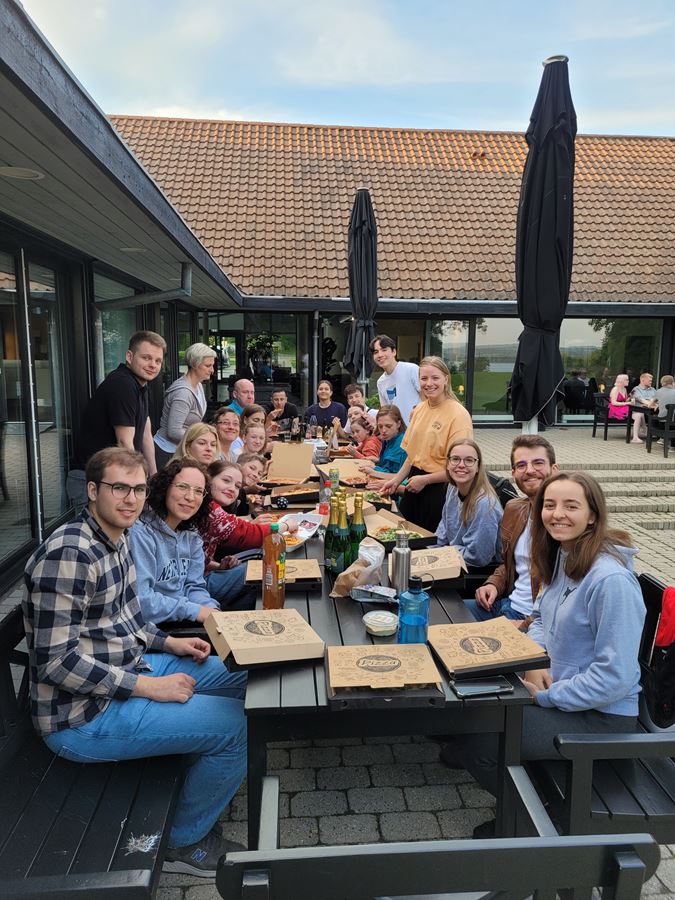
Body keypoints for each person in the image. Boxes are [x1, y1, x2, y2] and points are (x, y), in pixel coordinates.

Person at [24, 447, 247, 877]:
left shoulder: (118, 537)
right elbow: (56, 662)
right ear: (92, 490)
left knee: (240, 677)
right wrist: (149, 688)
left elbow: (128, 620)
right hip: (83, 717)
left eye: (139, 489)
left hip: (132, 668)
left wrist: (170, 643)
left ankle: (198, 766)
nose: (131, 499)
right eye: (119, 488)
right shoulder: (70, 555)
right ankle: (183, 841)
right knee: (238, 727)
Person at [459, 472, 645, 815]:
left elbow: (614, 678)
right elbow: (541, 617)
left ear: (592, 515)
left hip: (600, 715)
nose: (557, 514)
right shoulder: (564, 554)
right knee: (473, 707)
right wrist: (537, 660)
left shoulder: (611, 581)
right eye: (549, 505)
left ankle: (534, 821)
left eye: (571, 506)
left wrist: (545, 696)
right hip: (563, 690)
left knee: (481, 744)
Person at [467, 435, 558, 623]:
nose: (530, 470)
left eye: (538, 463)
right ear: (514, 473)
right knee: (432, 613)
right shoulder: (514, 509)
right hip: (505, 604)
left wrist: (526, 624)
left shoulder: (562, 522)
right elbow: (510, 564)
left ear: (554, 469)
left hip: (533, 619)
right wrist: (493, 584)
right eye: (521, 465)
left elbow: (568, 593)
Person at [68, 330, 166, 503]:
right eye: (146, 358)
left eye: (158, 361)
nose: (153, 365)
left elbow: (146, 433)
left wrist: (153, 476)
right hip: (94, 480)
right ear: (129, 356)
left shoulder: (141, 386)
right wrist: (138, 482)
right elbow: (124, 442)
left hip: (114, 477)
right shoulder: (123, 384)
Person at [380, 356, 473, 532]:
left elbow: (459, 468)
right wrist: (395, 481)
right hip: (415, 483)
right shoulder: (420, 409)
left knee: (430, 541)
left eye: (435, 378)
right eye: (424, 378)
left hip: (441, 488)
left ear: (446, 379)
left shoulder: (458, 415)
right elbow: (412, 456)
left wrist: (426, 480)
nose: (429, 383)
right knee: (405, 535)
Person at [130, 458, 221, 625]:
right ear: (165, 487)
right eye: (183, 487)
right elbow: (141, 600)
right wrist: (195, 611)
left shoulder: (192, 535)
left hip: (182, 618)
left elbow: (193, 587)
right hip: (150, 628)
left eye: (198, 491)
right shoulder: (140, 533)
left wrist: (211, 610)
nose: (190, 497)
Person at [200, 460, 297, 609]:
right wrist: (287, 525)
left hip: (202, 577)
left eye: (237, 486)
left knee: (255, 587)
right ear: (209, 479)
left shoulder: (210, 506)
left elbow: (197, 560)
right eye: (226, 480)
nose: (231, 488)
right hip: (198, 587)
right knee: (261, 567)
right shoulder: (211, 511)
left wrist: (218, 566)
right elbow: (250, 535)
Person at [436, 439, 502, 568]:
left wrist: (444, 552)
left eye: (469, 460)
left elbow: (478, 557)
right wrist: (429, 550)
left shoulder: (484, 504)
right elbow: (444, 526)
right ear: (448, 464)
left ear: (478, 467)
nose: (461, 465)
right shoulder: (453, 487)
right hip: (454, 557)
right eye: (455, 459)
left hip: (478, 571)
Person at [154, 343, 217, 467]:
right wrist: (199, 439)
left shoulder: (198, 385)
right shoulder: (183, 393)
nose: (212, 370)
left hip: (180, 450)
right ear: (194, 364)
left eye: (212, 365)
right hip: (167, 452)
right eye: (208, 365)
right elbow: (173, 431)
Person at [370, 334, 420, 425]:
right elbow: (386, 411)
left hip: (418, 427)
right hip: (398, 431)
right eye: (376, 352)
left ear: (394, 352)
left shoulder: (411, 369)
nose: (380, 355)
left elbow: (427, 397)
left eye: (384, 350)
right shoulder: (381, 382)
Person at [359, 405, 407, 482]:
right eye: (380, 426)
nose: (383, 430)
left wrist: (374, 470)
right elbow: (389, 465)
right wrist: (378, 461)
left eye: (388, 426)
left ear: (398, 424)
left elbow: (401, 478)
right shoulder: (388, 438)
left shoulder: (402, 444)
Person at [629, 371, 656, 443]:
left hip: (650, 410)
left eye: (651, 380)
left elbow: (656, 399)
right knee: (639, 414)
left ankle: (660, 436)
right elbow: (640, 399)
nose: (651, 382)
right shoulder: (636, 389)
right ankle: (637, 436)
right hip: (637, 410)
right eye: (649, 380)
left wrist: (652, 403)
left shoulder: (653, 389)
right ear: (643, 380)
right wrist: (650, 403)